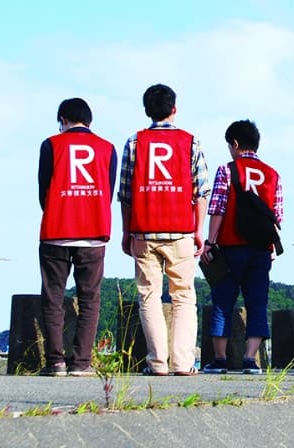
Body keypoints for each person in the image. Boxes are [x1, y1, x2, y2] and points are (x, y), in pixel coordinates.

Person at [119, 84, 210, 376]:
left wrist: (126, 231)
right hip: (181, 230)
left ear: (147, 111)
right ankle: (183, 363)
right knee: (183, 296)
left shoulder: (134, 143)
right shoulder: (191, 141)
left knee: (149, 296)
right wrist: (198, 230)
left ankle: (157, 362)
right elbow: (201, 191)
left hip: (144, 230)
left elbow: (125, 194)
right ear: (174, 109)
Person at [38, 98, 117, 377]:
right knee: (90, 299)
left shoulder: (51, 144)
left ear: (63, 119)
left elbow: (43, 191)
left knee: (53, 297)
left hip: (56, 230)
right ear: (89, 120)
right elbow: (108, 191)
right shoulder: (107, 148)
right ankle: (81, 362)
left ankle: (55, 362)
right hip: (93, 231)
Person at [200, 120, 282, 375]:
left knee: (223, 302)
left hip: (231, 247)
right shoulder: (273, 174)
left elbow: (218, 208)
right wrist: (271, 246)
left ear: (235, 144)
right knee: (257, 303)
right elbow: (277, 216)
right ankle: (250, 359)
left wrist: (210, 242)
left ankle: (220, 359)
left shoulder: (227, 170)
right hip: (261, 249)